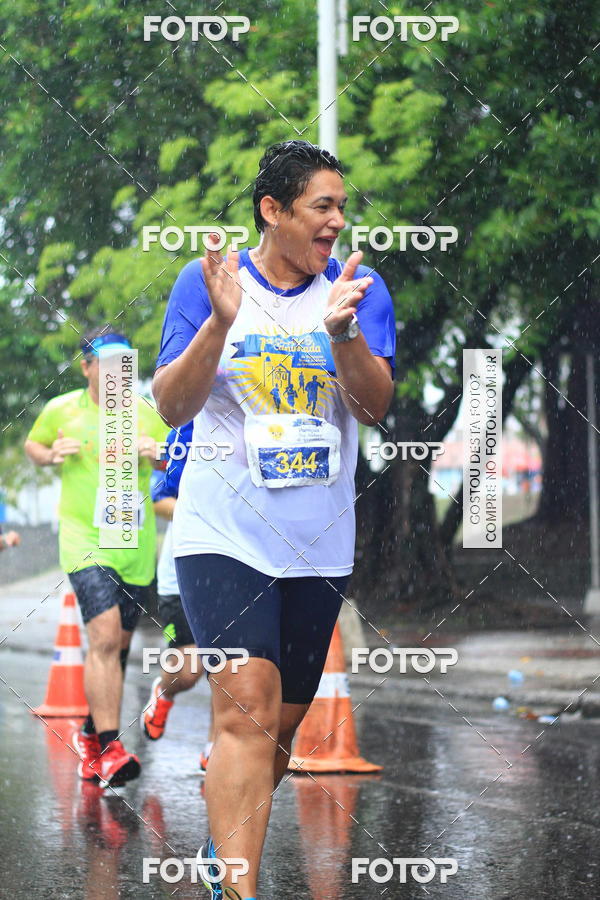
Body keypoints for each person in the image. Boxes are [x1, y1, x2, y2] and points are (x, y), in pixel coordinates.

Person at [153, 140, 395, 899]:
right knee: (247, 706)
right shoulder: (208, 285)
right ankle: (237, 886)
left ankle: (217, 841)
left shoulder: (358, 291)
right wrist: (218, 326)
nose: (336, 222)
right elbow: (171, 405)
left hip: (317, 543)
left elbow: (372, 407)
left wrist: (343, 333)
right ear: (273, 209)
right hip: (222, 533)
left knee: (280, 730)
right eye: (322, 206)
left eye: (341, 208)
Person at [25, 327, 168, 788]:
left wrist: (161, 454)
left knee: (118, 648)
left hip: (133, 538)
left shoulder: (146, 413)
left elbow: (177, 460)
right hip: (83, 535)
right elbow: (34, 444)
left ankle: (90, 734)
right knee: (105, 636)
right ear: (86, 366)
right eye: (105, 366)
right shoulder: (61, 409)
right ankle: (109, 748)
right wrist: (50, 455)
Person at [141, 422, 214, 773]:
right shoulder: (194, 426)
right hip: (183, 574)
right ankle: (165, 691)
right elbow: (159, 500)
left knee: (238, 667)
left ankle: (218, 746)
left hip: (249, 569)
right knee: (191, 669)